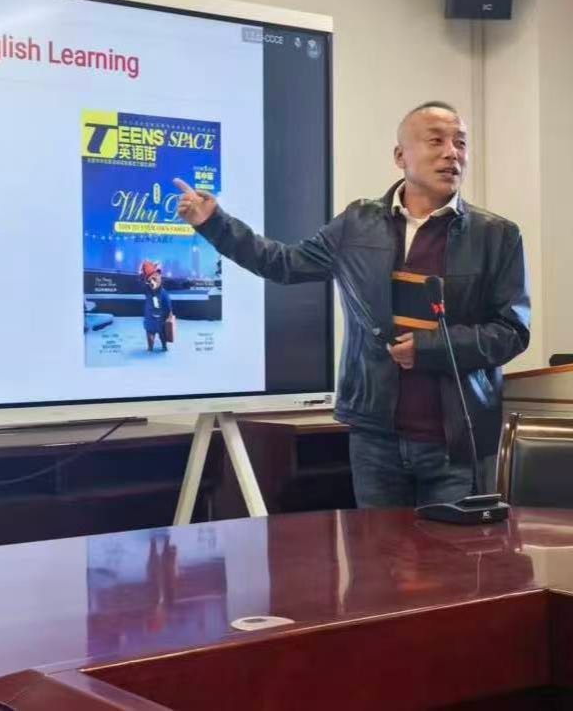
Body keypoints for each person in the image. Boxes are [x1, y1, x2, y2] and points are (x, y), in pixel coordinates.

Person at [173, 101, 530, 508]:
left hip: (457, 444)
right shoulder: (358, 224)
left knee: (454, 549)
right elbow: (283, 263)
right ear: (400, 156)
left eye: (460, 143)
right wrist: (215, 223)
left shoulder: (496, 235)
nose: (452, 153)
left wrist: (429, 349)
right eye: (437, 141)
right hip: (376, 440)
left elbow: (512, 331)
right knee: (377, 548)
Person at [138, 260, 174, 352]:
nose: (152, 282)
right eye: (150, 280)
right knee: (151, 333)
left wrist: (167, 315)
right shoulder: (148, 291)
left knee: (161, 334)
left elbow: (167, 306)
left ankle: (163, 346)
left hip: (159, 320)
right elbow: (142, 283)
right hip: (152, 319)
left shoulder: (162, 293)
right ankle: (151, 347)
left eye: (154, 279)